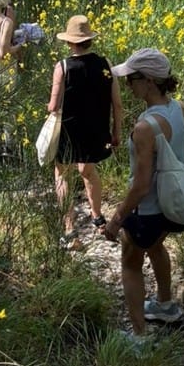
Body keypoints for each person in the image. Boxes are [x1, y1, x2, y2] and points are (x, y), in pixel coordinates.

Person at [102, 49, 184, 335]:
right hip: (174, 206)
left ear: (147, 81)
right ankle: (166, 304)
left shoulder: (146, 127)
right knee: (157, 246)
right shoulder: (180, 109)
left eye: (131, 78)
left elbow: (141, 186)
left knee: (131, 263)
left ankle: (139, 336)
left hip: (148, 209)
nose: (128, 84)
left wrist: (115, 220)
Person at [47, 15, 122, 249]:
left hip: (70, 132)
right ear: (89, 40)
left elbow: (53, 106)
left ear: (69, 42)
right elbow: (117, 104)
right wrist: (116, 130)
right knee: (88, 170)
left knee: (62, 174)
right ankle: (98, 218)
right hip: (97, 131)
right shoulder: (105, 64)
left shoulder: (63, 67)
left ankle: (70, 230)